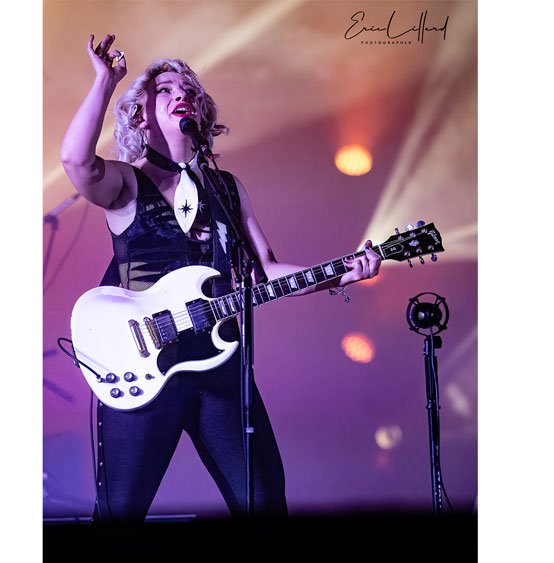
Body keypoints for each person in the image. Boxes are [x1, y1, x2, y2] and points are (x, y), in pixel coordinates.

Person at [60, 33, 382, 522]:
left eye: (189, 89)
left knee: (265, 502)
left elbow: (266, 269)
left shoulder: (226, 188)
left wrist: (340, 273)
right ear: (141, 115)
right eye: (165, 89)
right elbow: (75, 162)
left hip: (219, 364)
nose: (182, 94)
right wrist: (105, 82)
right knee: (120, 514)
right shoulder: (126, 181)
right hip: (141, 365)